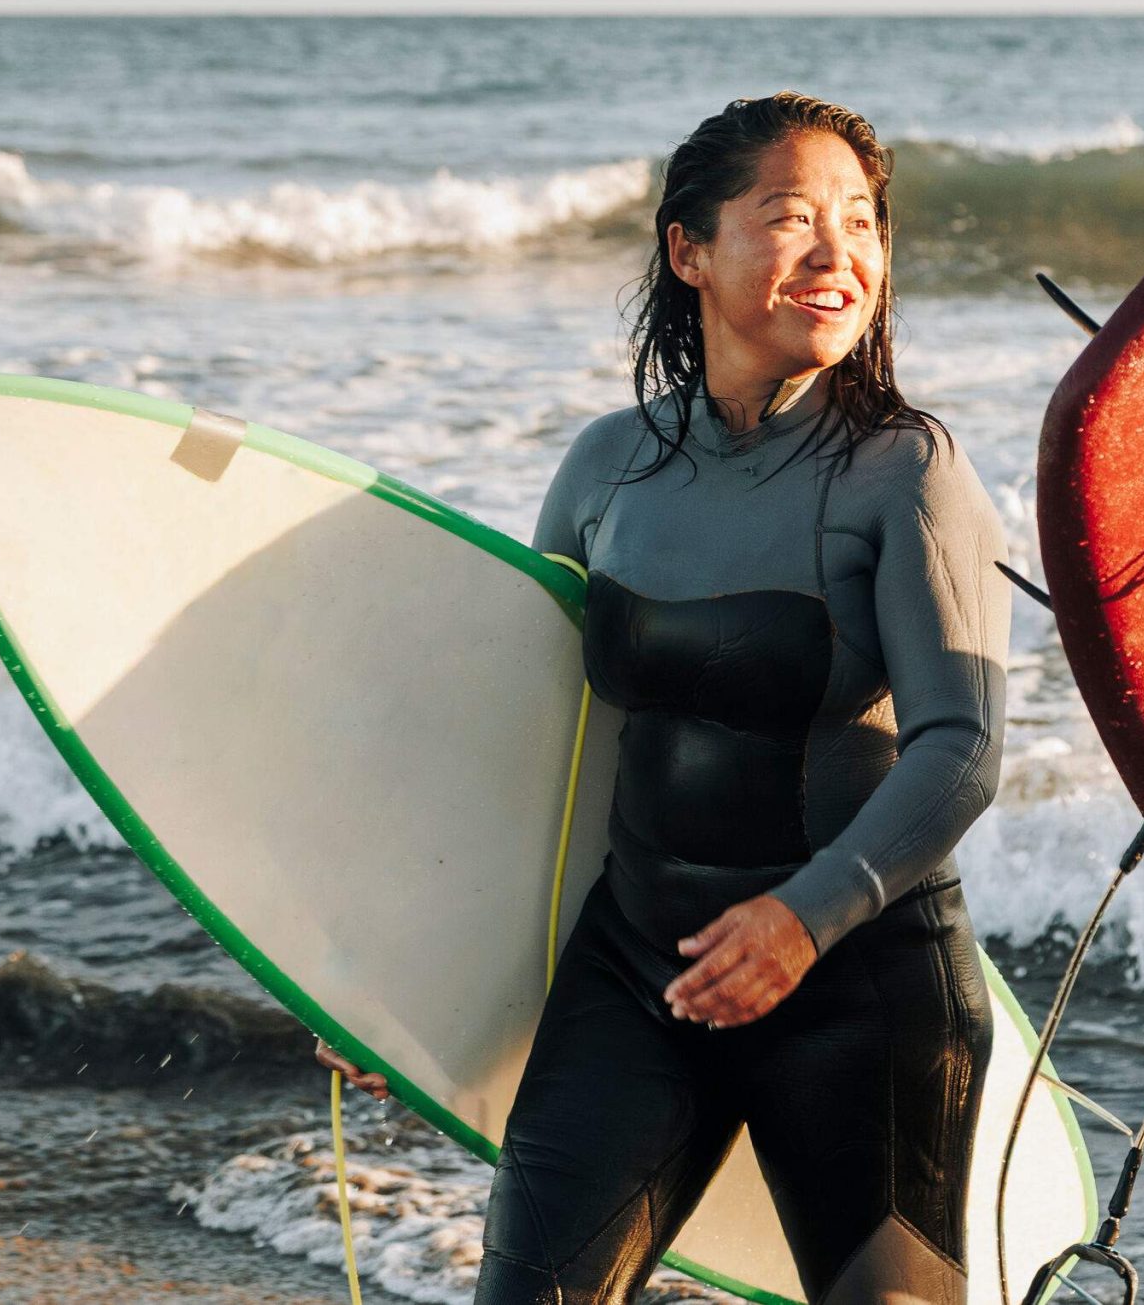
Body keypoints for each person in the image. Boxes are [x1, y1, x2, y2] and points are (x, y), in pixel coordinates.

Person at [326, 93, 1013, 1305]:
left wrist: (801, 921)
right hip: (639, 972)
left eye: (860, 223)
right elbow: (531, 745)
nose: (837, 253)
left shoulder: (906, 470)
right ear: (686, 248)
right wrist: (397, 975)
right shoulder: (608, 467)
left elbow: (959, 749)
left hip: (860, 992)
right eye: (790, 218)